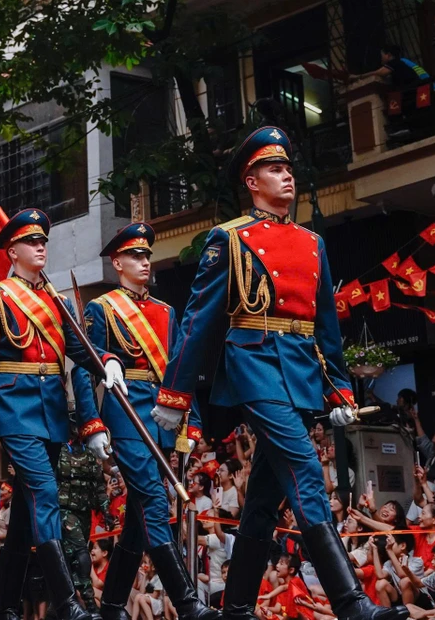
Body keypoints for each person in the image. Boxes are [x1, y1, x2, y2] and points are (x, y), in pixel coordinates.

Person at [154, 126, 407, 620]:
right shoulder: (228, 239)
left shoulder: (312, 242)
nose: (287, 176)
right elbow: (198, 322)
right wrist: (174, 393)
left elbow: (326, 326)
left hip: (300, 371)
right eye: (275, 169)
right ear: (251, 182)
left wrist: (337, 390)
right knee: (307, 472)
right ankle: (352, 604)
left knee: (266, 497)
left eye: (289, 168)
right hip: (253, 366)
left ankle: (238, 607)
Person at [0, 208, 125, 620]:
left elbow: (77, 348)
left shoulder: (58, 299)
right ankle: (68, 602)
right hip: (14, 409)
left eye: (43, 242)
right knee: (45, 493)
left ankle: (4, 607)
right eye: (31, 242)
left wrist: (105, 359)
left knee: (25, 513)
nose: (40, 248)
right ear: (12, 250)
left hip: (51, 411)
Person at [72, 221, 217, 620]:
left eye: (147, 255)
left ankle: (113, 605)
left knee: (139, 518)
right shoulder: (103, 309)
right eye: (135, 255)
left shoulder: (165, 311)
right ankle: (188, 604)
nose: (144, 261)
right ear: (117, 262)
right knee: (154, 502)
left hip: (163, 419)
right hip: (125, 417)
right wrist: (91, 423)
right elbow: (84, 370)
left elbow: (179, 371)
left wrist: (194, 421)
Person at [57, 417, 109, 612]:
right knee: (81, 553)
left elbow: (99, 484)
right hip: (65, 510)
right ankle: (90, 605)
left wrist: (105, 509)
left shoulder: (90, 452)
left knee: (73, 558)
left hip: (84, 510)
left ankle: (67, 606)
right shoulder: (59, 451)